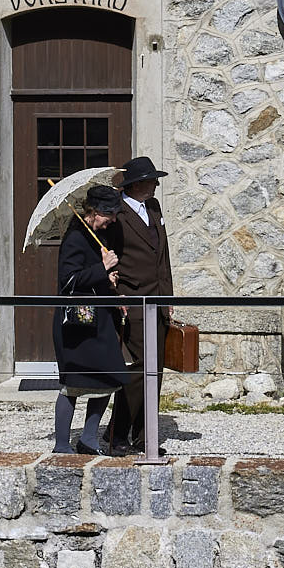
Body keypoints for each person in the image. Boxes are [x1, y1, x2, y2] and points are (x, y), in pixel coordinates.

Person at [52, 189, 133, 454]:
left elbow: (91, 278)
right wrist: (103, 268)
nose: (113, 220)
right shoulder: (75, 238)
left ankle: (88, 439)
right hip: (77, 324)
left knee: (110, 377)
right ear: (94, 212)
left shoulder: (96, 236)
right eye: (109, 214)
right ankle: (62, 445)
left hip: (98, 321)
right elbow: (69, 281)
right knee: (74, 383)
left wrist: (108, 281)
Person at [111, 154, 175, 452]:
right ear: (136, 184)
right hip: (132, 300)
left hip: (157, 299)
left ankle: (144, 437)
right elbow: (108, 256)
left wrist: (168, 296)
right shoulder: (118, 212)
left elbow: (163, 255)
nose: (156, 185)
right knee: (138, 369)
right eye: (151, 180)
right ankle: (118, 433)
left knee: (155, 370)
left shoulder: (154, 207)